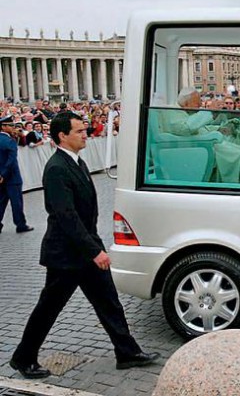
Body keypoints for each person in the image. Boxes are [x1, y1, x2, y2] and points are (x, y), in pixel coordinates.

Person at [10, 112, 159, 379]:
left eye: (85, 130)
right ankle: (23, 358)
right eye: (79, 131)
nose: (85, 135)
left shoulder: (76, 162)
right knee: (48, 308)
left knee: (109, 302)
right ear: (62, 136)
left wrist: (93, 247)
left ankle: (127, 353)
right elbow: (66, 217)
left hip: (85, 249)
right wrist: (95, 251)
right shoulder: (56, 168)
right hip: (66, 255)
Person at [0, 117, 34, 234]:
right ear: (3, 127)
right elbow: (11, 160)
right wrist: (4, 174)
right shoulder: (10, 141)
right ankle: (20, 225)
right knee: (16, 202)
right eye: (10, 126)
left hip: (1, 177)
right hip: (12, 177)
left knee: (1, 201)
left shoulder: (8, 139)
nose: (13, 128)